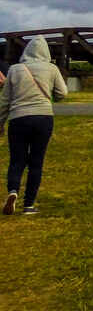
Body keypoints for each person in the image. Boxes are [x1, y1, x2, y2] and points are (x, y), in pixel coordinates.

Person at [2, 37, 67, 215]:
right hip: (43, 118)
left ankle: (13, 191)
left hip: (18, 119)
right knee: (36, 162)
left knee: (17, 160)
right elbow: (63, 93)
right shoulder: (52, 69)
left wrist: (0, 124)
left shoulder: (15, 70)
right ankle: (29, 206)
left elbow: (5, 101)